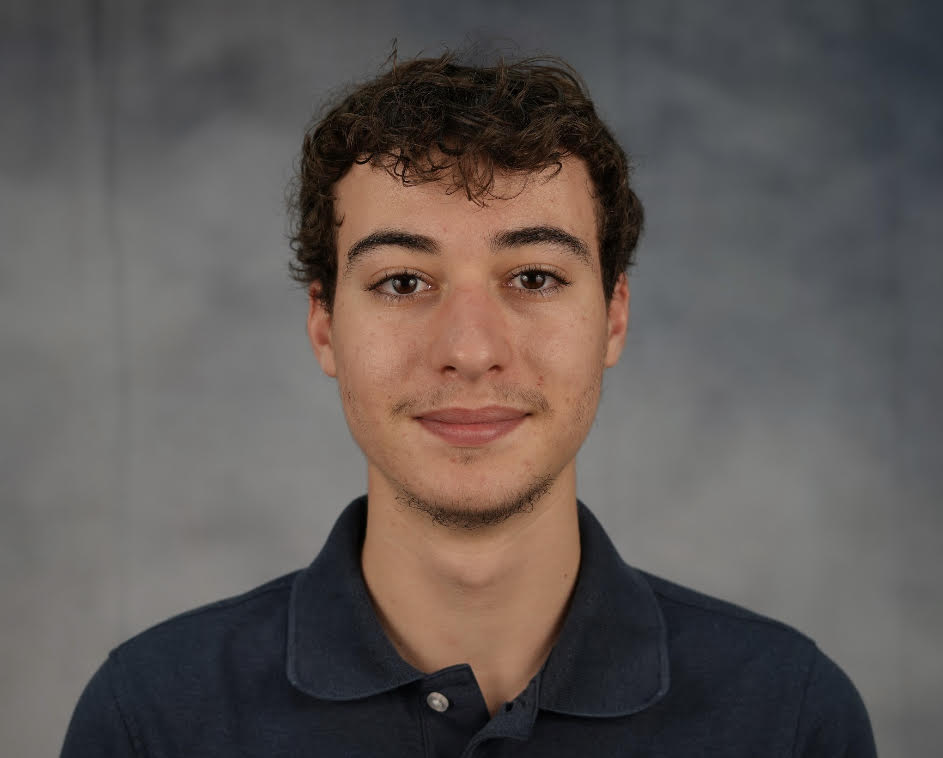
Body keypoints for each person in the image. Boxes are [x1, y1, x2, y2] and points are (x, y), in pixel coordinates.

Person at [61, 52, 877, 757]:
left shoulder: (787, 715)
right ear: (323, 325)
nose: (470, 348)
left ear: (613, 318)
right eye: (403, 282)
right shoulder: (153, 719)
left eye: (533, 278)